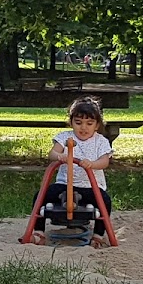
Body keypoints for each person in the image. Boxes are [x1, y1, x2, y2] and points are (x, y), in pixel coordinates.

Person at [32, 96, 113, 247]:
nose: (83, 128)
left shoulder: (100, 141)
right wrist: (59, 156)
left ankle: (98, 235)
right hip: (64, 184)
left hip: (90, 187)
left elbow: (105, 161)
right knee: (40, 196)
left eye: (89, 123)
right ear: (71, 122)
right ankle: (38, 232)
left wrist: (92, 164)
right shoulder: (65, 137)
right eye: (78, 122)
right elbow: (52, 154)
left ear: (97, 125)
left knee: (105, 201)